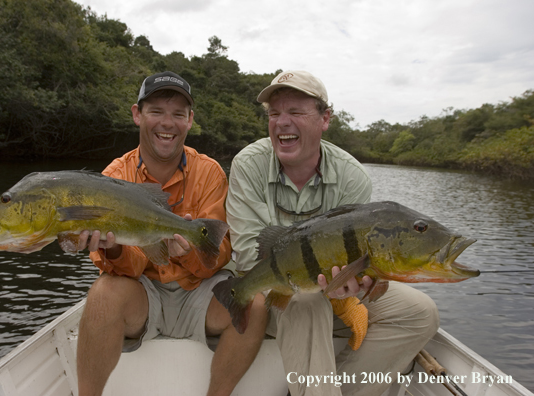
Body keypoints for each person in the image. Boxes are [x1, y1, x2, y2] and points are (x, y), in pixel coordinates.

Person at [226, 70, 439, 396]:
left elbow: (360, 258)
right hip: (269, 286)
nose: (282, 122)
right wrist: (330, 293)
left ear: (325, 119)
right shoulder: (248, 165)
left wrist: (359, 286)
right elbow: (245, 252)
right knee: (307, 302)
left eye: (295, 112)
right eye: (274, 113)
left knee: (420, 313)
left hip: (334, 284)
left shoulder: (352, 176)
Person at [75, 71, 267, 396]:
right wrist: (115, 248)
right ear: (137, 115)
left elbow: (215, 256)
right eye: (156, 112)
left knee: (255, 303)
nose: (168, 123)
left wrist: (188, 251)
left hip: (199, 290)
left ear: (190, 120)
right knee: (102, 296)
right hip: (143, 292)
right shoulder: (114, 176)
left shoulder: (209, 171)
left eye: (178, 114)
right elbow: (123, 269)